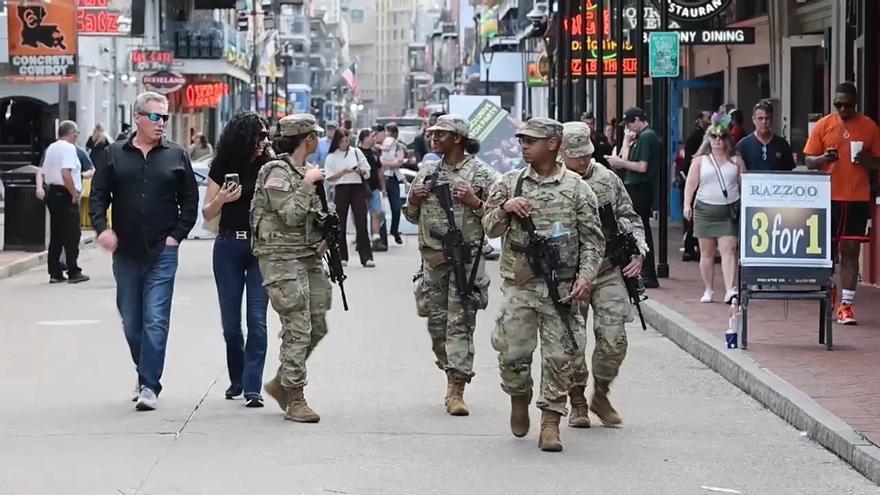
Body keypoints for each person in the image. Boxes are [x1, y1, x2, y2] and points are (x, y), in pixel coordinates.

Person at [483, 118, 604, 452]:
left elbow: (593, 241)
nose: (524, 147)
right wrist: (505, 209)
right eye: (521, 141)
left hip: (561, 288)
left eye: (530, 141)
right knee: (512, 354)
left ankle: (551, 422)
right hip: (519, 286)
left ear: (553, 144)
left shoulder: (579, 188)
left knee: (561, 356)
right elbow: (489, 229)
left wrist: (585, 277)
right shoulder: (509, 183)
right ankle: (518, 397)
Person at [90, 92, 199, 411]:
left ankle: (150, 384)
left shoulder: (176, 155)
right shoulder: (113, 154)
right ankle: (144, 371)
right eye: (155, 117)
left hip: (162, 250)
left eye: (164, 118)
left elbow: (189, 200)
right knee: (131, 320)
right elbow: (98, 196)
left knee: (155, 318)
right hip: (125, 251)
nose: (161, 123)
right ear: (137, 117)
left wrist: (177, 236)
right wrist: (102, 229)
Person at [404, 115, 495, 416]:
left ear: (457, 138)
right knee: (437, 327)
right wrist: (414, 201)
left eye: (440, 134)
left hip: (466, 265)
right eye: (432, 134)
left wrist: (475, 202)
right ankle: (449, 368)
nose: (433, 138)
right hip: (433, 262)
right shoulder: (428, 172)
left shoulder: (481, 176)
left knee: (461, 324)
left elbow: (498, 222)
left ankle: (456, 389)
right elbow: (410, 216)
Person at [561, 121, 646, 428]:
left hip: (608, 269)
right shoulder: (552, 181)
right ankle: (578, 401)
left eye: (586, 154)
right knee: (572, 342)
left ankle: (601, 392)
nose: (583, 160)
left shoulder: (607, 179)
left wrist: (638, 250)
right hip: (569, 274)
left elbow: (629, 216)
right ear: (561, 152)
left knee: (614, 339)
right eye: (576, 155)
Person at [250, 114, 330, 423]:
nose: (318, 141)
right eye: (315, 136)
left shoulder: (305, 171)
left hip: (308, 257)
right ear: (307, 139)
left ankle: (281, 382)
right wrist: (309, 185)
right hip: (281, 259)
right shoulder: (276, 172)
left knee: (317, 323)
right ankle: (295, 396)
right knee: (298, 326)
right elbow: (290, 215)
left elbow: (316, 217)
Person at [201, 112, 271, 408]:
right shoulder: (223, 164)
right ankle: (237, 377)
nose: (265, 141)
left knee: (257, 319)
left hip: (261, 248)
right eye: (260, 136)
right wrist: (223, 201)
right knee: (231, 324)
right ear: (245, 138)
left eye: (266, 135)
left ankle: (253, 386)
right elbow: (206, 211)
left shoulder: (270, 165)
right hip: (229, 244)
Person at [805, 82, 880, 325]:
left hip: (857, 197)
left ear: (855, 102)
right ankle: (830, 294)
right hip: (828, 197)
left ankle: (846, 305)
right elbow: (808, 161)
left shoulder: (869, 126)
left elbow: (878, 163)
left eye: (847, 105)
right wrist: (823, 159)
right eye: (838, 104)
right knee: (828, 252)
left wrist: (866, 160)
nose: (842, 109)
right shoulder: (824, 125)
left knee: (850, 250)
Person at [682, 113, 744, 304]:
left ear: (727, 139)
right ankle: (709, 289)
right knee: (706, 252)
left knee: (729, 249)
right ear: (708, 139)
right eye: (714, 136)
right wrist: (687, 204)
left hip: (728, 210)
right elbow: (691, 184)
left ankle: (730, 289)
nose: (718, 140)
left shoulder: (736, 161)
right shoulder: (700, 161)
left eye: (722, 136)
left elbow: (744, 184)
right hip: (705, 210)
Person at [606, 107, 660, 288]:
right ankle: (646, 271)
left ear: (637, 120)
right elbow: (624, 161)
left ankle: (648, 272)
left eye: (629, 124)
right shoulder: (639, 138)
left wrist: (620, 162)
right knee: (638, 226)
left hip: (641, 187)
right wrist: (626, 143)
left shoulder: (647, 136)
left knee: (641, 227)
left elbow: (641, 166)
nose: (628, 128)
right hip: (636, 186)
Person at [37, 120, 90, 284]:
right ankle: (73, 270)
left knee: (57, 234)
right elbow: (66, 172)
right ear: (71, 133)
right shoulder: (69, 148)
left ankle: (55, 272)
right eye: (77, 134)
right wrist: (73, 193)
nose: (77, 137)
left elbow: (44, 171)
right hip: (65, 193)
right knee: (72, 234)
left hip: (52, 192)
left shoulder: (51, 147)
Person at [324, 128, 374, 267]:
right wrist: (343, 172)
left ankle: (366, 257)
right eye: (342, 141)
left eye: (347, 141)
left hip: (357, 187)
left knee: (361, 221)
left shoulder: (356, 152)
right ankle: (341, 256)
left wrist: (360, 170)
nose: (345, 144)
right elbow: (329, 177)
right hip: (341, 187)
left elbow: (367, 170)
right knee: (340, 223)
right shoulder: (332, 156)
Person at [680, 111, 712, 262]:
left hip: (704, 183)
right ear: (699, 119)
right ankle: (688, 248)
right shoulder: (694, 138)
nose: (710, 120)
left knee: (695, 221)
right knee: (691, 220)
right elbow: (687, 162)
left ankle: (695, 247)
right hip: (695, 182)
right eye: (707, 117)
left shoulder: (704, 136)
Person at [737, 100, 796, 172]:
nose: (764, 122)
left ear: (772, 119)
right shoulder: (743, 146)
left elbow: (789, 173)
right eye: (760, 118)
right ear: (753, 120)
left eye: (767, 118)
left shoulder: (783, 145)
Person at [359, 129, 387, 251]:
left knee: (377, 212)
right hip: (361, 188)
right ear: (364, 138)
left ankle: (376, 238)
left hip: (374, 188)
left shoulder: (374, 153)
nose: (373, 139)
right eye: (371, 136)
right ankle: (362, 238)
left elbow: (379, 171)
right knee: (361, 215)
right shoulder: (357, 153)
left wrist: (383, 187)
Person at [380, 123, 407, 245]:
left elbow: (399, 162)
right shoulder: (380, 146)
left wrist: (387, 163)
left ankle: (394, 230)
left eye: (391, 132)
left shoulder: (398, 146)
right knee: (380, 209)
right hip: (381, 177)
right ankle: (381, 237)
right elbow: (379, 161)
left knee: (396, 207)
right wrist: (388, 163)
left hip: (393, 178)